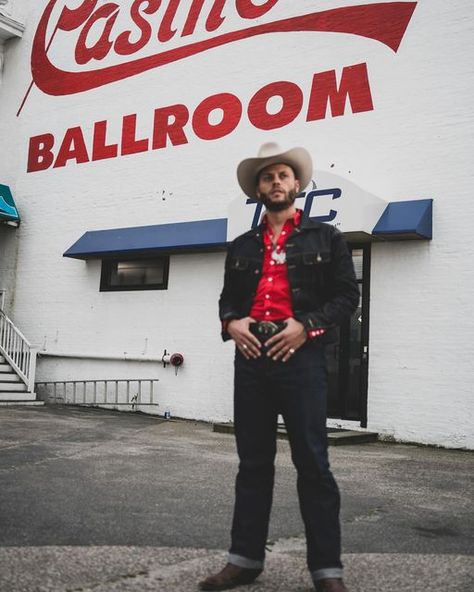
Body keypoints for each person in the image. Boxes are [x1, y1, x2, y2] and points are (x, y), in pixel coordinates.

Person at [199, 143, 359, 592]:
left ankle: (327, 571)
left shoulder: (327, 238)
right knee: (252, 464)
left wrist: (306, 326)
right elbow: (228, 299)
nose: (275, 182)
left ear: (297, 185)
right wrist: (232, 323)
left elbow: (348, 297)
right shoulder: (241, 245)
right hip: (251, 358)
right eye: (267, 177)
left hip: (301, 357)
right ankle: (244, 560)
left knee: (313, 463)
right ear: (258, 189)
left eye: (283, 175)